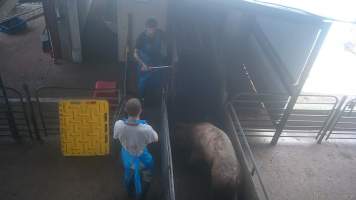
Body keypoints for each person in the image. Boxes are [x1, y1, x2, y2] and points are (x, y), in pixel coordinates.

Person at [113, 98, 158, 199]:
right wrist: (146, 125)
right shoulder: (146, 129)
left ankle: (130, 194)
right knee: (146, 178)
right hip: (143, 159)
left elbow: (115, 136)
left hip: (128, 159)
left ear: (125, 109)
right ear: (141, 110)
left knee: (129, 176)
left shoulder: (119, 125)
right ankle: (142, 196)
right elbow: (156, 138)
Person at [134, 17, 166, 97]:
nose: (152, 31)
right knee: (143, 81)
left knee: (157, 80)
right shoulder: (141, 37)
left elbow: (167, 41)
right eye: (150, 28)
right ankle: (141, 98)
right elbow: (135, 54)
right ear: (146, 27)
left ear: (156, 28)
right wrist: (142, 64)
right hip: (145, 62)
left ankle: (155, 96)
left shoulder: (160, 33)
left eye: (154, 28)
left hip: (157, 61)